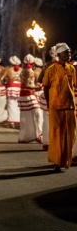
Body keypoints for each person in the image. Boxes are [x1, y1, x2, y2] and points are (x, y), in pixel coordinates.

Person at [42, 43, 77, 172]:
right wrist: (49, 102)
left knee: (70, 134)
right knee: (57, 135)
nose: (68, 55)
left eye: (69, 52)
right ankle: (57, 162)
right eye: (66, 53)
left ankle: (66, 160)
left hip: (69, 106)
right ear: (58, 55)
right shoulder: (50, 69)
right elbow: (45, 87)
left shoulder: (71, 69)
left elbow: (73, 86)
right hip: (55, 107)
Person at [18, 60, 42, 143]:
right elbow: (28, 85)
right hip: (28, 95)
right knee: (37, 114)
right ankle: (38, 135)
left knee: (26, 116)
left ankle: (26, 137)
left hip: (24, 94)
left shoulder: (24, 71)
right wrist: (37, 88)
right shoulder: (30, 71)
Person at [3, 56, 22, 128]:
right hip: (19, 88)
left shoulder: (8, 70)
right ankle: (18, 121)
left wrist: (6, 82)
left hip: (11, 88)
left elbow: (2, 78)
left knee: (11, 105)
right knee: (18, 106)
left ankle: (11, 122)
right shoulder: (22, 70)